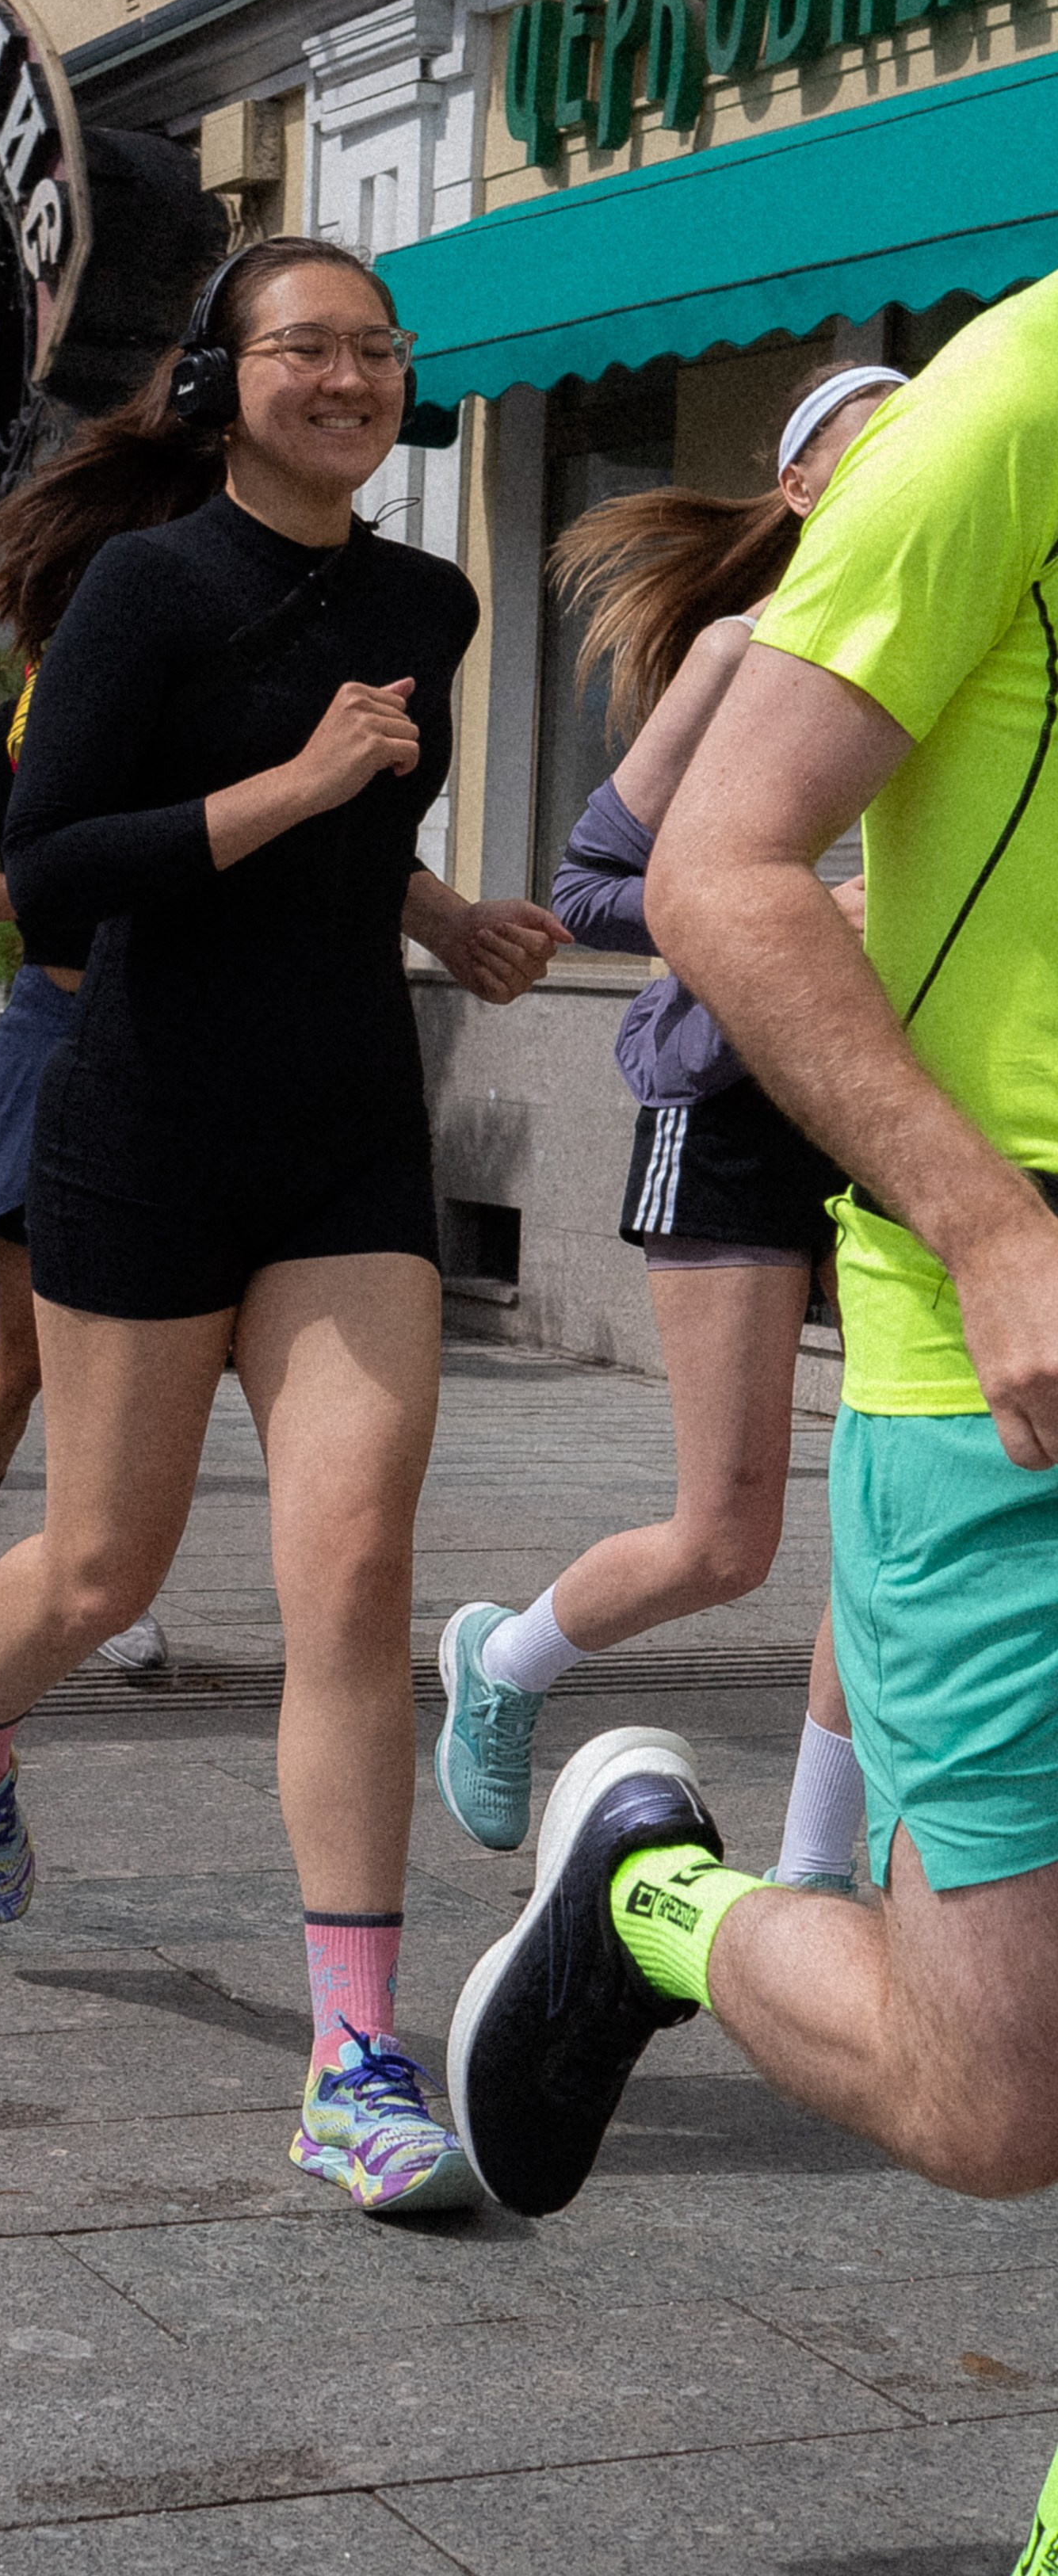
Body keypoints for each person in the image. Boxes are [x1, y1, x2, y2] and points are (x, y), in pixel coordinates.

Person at [445, 267, 1058, 2564]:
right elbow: (698, 869)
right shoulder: (1008, 406)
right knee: (993, 2100)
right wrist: (985, 1221)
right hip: (993, 1321)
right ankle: (653, 1899)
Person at [0, 235, 568, 2215]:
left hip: (347, 1135)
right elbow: (41, 872)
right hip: (148, 1130)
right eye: (307, 347)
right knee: (103, 1565)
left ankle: (354, 2056)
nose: (349, 377)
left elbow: (354, 833)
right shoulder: (143, 584)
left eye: (378, 348)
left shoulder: (427, 598)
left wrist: (440, 909)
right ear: (221, 377)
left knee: (352, 1572)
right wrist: (296, 782)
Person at [434, 364, 904, 1890]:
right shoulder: (743, 647)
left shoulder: (961, 634)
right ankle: (507, 1658)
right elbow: (585, 888)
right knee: (727, 1539)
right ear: (799, 487)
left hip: (905, 1108)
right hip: (736, 1099)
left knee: (896, 1517)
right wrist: (795, 915)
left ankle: (814, 1872)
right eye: (871, 450)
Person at [0, 686, 170, 1673]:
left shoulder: (201, 710)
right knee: (26, 1351)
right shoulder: (38, 715)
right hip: (53, 1035)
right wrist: (85, 876)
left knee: (131, 1355)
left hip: (161, 1044)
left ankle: (96, 1579)